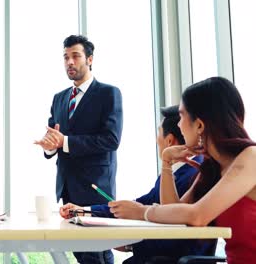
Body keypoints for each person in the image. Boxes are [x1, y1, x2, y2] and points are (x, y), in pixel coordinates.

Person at [109, 77, 256, 264]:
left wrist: (141, 211)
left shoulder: (251, 158)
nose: (178, 125)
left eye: (181, 116)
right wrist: (167, 162)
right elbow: (176, 217)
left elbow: (197, 215)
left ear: (200, 125)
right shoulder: (214, 169)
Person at [60, 105, 215, 263]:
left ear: (169, 140)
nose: (156, 140)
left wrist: (131, 244)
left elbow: (174, 227)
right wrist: (86, 210)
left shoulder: (192, 174)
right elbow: (138, 205)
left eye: (158, 134)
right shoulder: (180, 173)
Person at [35, 35, 123, 264]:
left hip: (95, 189)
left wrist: (64, 142)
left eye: (75, 56)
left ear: (90, 59)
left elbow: (111, 140)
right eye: (65, 57)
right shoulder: (59, 98)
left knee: (97, 255)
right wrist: (50, 146)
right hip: (67, 189)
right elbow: (55, 138)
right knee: (81, 254)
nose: (69, 62)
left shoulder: (108, 94)